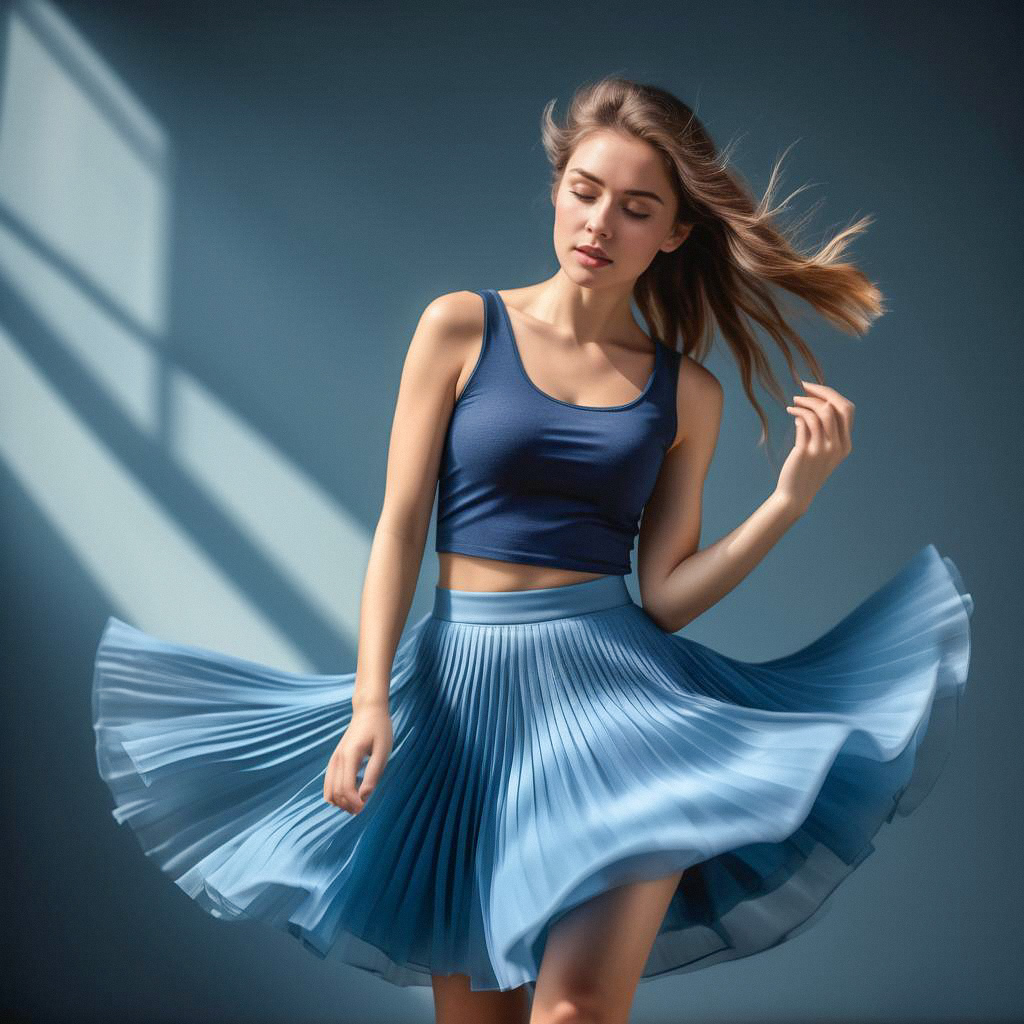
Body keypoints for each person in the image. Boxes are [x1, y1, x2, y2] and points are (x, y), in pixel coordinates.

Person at [92, 77, 974, 1024]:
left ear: (675, 233)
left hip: (620, 705)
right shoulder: (460, 327)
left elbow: (665, 597)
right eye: (586, 191)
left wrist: (788, 503)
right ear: (558, 189)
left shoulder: (686, 394)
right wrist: (369, 697)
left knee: (575, 1013)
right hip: (459, 707)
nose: (601, 222)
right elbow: (400, 526)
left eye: (638, 208)